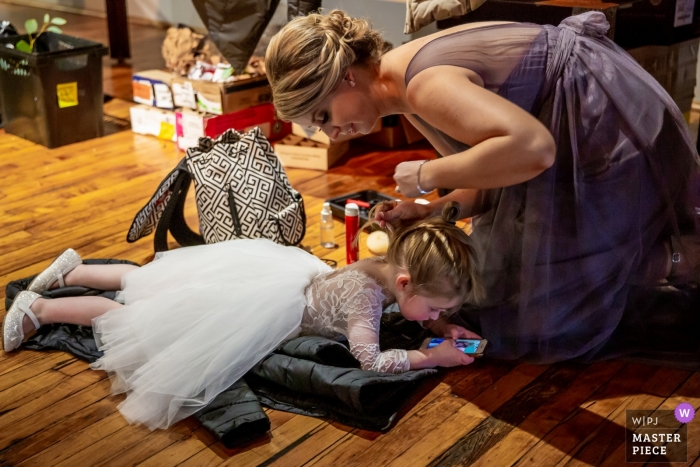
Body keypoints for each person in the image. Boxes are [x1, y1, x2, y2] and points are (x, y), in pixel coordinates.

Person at [265, 10, 700, 363]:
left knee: (548, 313)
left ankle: (681, 258)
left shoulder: (423, 85)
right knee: (510, 291)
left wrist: (427, 176)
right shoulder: (405, 92)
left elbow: (534, 149)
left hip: (601, 130)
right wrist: (432, 209)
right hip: (574, 130)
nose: (332, 134)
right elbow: (498, 176)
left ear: (345, 76)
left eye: (323, 116)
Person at [3, 202, 482, 429]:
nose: (435, 315)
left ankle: (74, 270)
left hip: (281, 278)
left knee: (148, 280)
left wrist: (438, 326)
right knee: (138, 316)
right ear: (404, 283)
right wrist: (426, 357)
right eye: (437, 306)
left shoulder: (385, 266)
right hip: (269, 309)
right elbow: (370, 361)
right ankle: (40, 308)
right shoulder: (365, 300)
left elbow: (416, 309)